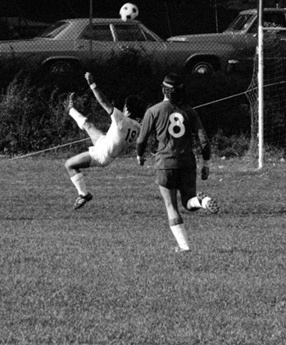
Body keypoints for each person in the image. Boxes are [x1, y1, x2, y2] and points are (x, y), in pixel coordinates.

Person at [135, 72, 218, 253]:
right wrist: (206, 163)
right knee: (189, 202)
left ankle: (184, 247)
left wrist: (140, 156)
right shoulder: (190, 111)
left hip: (166, 164)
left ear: (163, 89)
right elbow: (204, 140)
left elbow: (141, 140)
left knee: (171, 205)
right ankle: (202, 202)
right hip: (187, 163)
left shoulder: (154, 110)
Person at [65, 72, 145, 209]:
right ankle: (70, 109)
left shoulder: (122, 119)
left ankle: (83, 194)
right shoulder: (138, 126)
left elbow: (103, 102)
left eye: (125, 106)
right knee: (88, 126)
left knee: (69, 165)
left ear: (127, 109)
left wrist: (92, 84)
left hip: (102, 155)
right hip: (105, 143)